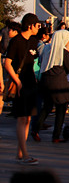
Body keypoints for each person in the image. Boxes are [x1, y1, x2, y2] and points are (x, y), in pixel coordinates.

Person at [3, 13, 41, 165]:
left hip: (31, 82)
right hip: (21, 84)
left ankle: (20, 153)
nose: (38, 28)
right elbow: (7, 63)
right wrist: (17, 81)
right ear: (30, 25)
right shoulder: (16, 41)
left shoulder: (33, 41)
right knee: (21, 118)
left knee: (28, 119)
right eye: (37, 25)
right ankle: (24, 154)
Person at [32, 29, 69, 143]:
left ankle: (35, 129)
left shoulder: (48, 48)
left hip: (45, 81)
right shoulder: (63, 52)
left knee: (47, 107)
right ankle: (56, 135)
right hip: (59, 83)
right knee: (61, 109)